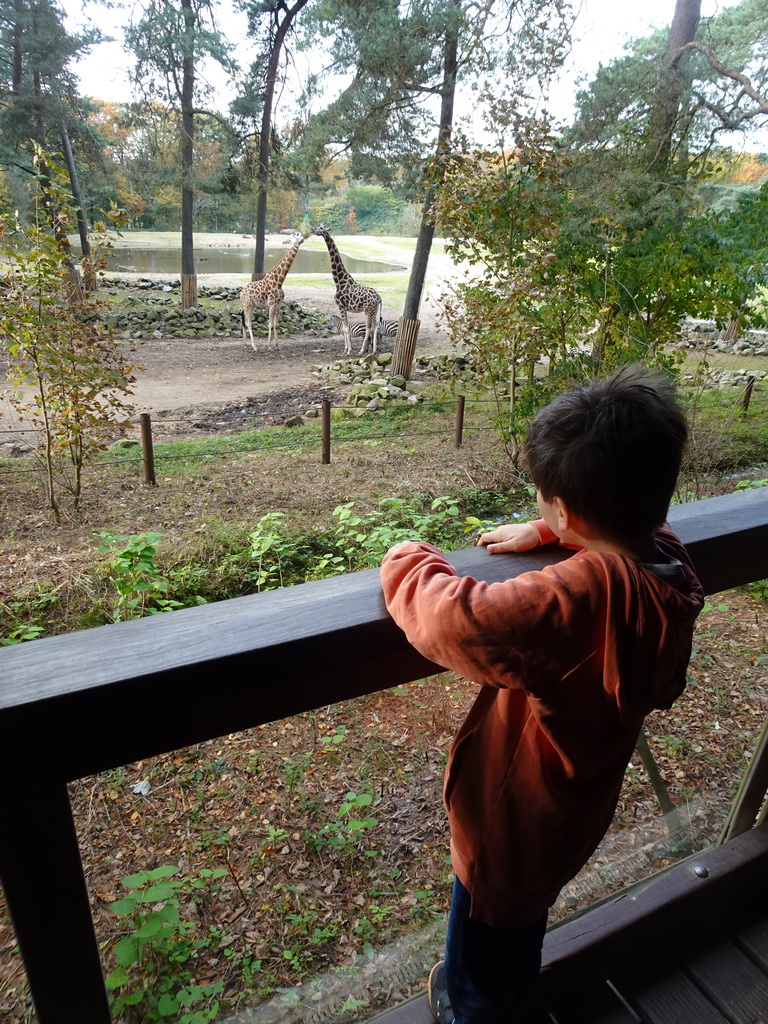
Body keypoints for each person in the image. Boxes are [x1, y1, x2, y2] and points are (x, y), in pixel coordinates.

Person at [379, 366, 705, 1024]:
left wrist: (409, 557)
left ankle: (471, 1007)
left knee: (484, 957)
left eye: (545, 499)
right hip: (571, 814)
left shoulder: (581, 600)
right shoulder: (671, 570)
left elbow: (454, 619)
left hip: (509, 828)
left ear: (570, 507)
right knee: (520, 932)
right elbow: (637, 537)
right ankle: (503, 990)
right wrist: (551, 531)